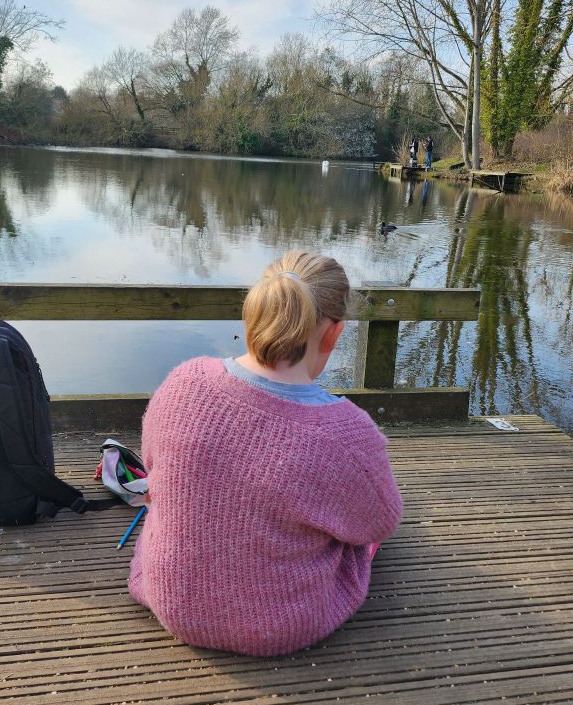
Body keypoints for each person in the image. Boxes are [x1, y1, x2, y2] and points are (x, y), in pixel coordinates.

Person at [129, 251, 403, 657]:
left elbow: (152, 471)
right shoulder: (345, 434)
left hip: (174, 603)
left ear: (256, 315)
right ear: (333, 334)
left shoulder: (182, 382)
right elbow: (379, 522)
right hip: (282, 624)